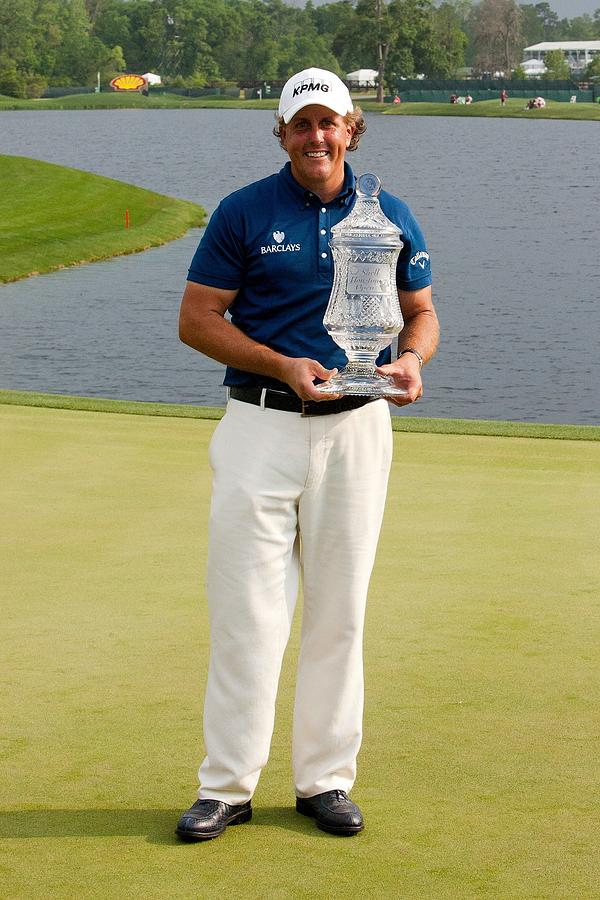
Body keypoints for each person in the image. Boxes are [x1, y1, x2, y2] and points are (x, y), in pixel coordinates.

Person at [175, 66, 439, 842]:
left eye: (330, 123)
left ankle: (324, 781)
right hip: (260, 424)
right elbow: (197, 318)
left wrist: (414, 359)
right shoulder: (243, 211)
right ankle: (225, 788)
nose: (316, 136)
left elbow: (420, 312)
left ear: (351, 128)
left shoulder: (390, 214)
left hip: (358, 430)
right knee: (247, 617)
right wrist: (280, 363)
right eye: (302, 124)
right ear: (283, 134)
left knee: (339, 615)